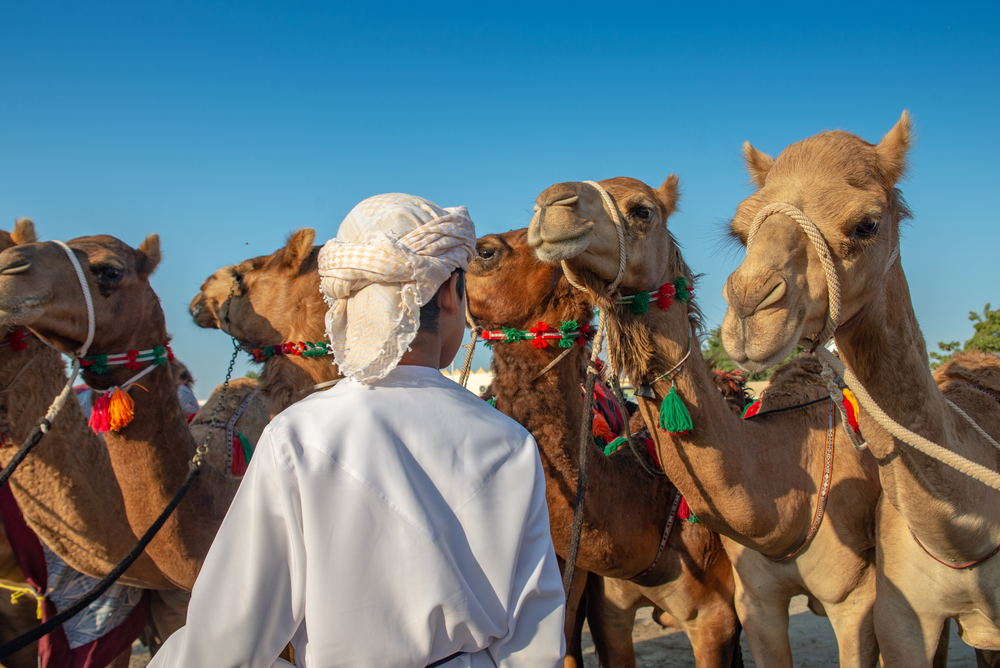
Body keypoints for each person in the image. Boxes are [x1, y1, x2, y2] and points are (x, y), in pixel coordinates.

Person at [148, 194, 566, 667]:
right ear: (452, 293)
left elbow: (227, 640)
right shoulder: (510, 443)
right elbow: (534, 642)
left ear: (346, 301)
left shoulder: (296, 437)